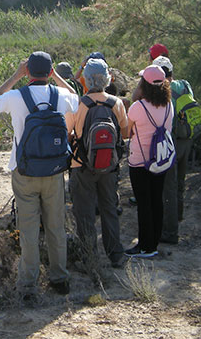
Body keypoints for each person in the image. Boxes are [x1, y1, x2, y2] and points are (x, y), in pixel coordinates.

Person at [0, 51, 78, 296]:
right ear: (49, 72)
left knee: (28, 229)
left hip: (25, 170)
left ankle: (28, 283)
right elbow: (76, 97)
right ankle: (59, 278)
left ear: (28, 72)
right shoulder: (60, 94)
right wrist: (57, 76)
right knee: (56, 226)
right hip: (54, 170)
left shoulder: (17, 96)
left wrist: (16, 75)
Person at [68, 58, 128, 268]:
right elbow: (126, 132)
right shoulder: (116, 103)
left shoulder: (78, 104)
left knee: (84, 212)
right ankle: (116, 254)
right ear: (107, 79)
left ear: (85, 80)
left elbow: (68, 133)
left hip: (81, 165)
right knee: (109, 208)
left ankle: (90, 258)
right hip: (110, 165)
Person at [126, 65, 173, 258]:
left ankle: (145, 247)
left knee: (144, 204)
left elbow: (127, 132)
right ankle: (153, 242)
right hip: (161, 159)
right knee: (156, 201)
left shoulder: (137, 107)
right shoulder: (169, 104)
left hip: (140, 161)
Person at [153, 56, 194, 244]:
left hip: (170, 142)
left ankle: (170, 232)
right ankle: (177, 216)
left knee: (167, 186)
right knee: (180, 182)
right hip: (187, 138)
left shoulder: (162, 89)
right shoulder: (184, 85)